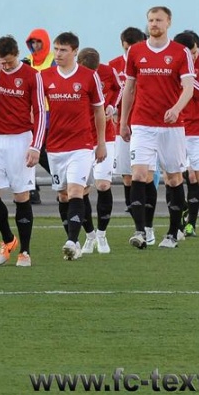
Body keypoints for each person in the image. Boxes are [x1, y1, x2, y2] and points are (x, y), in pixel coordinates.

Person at [119, 6, 195, 250]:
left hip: (171, 126)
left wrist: (176, 109)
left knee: (173, 178)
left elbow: (188, 87)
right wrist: (124, 121)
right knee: (139, 175)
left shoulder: (181, 52)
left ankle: (173, 232)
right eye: (151, 20)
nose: (154, 24)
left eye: (159, 20)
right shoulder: (136, 51)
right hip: (142, 123)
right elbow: (129, 88)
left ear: (169, 22)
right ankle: (140, 231)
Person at [0, 35, 45, 267]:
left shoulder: (32, 75)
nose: (7, 66)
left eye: (10, 62)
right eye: (2, 62)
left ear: (17, 56)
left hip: (21, 140)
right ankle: (8, 239)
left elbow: (40, 112)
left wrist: (35, 146)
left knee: (21, 195)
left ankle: (25, 251)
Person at [41, 33, 106, 261]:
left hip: (81, 145)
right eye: (56, 49)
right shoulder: (45, 76)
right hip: (55, 146)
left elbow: (99, 110)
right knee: (63, 196)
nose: (58, 54)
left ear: (75, 51)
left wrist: (100, 143)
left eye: (63, 50)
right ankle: (78, 241)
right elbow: (36, 109)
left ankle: (71, 241)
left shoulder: (89, 76)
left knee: (76, 191)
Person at [109, 27, 154, 241]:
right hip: (124, 125)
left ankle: (147, 226)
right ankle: (134, 213)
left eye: (133, 47)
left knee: (145, 175)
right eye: (126, 48)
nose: (129, 52)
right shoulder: (114, 65)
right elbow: (110, 91)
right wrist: (114, 111)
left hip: (146, 125)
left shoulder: (148, 63)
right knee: (128, 176)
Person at [171, 31, 199, 238]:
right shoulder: (170, 65)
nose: (194, 57)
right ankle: (183, 224)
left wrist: (184, 77)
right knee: (181, 177)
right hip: (177, 128)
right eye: (189, 55)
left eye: (195, 52)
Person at [75, 47, 120, 253]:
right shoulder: (72, 76)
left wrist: (112, 106)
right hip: (81, 138)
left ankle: (102, 234)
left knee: (102, 185)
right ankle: (90, 235)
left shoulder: (108, 72)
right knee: (81, 188)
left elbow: (119, 88)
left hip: (105, 136)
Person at [23, 28, 55, 205]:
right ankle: (32, 188)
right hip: (31, 113)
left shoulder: (54, 60)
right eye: (32, 42)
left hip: (51, 112)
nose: (35, 46)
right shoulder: (26, 61)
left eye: (38, 42)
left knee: (47, 151)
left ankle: (60, 178)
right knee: (31, 149)